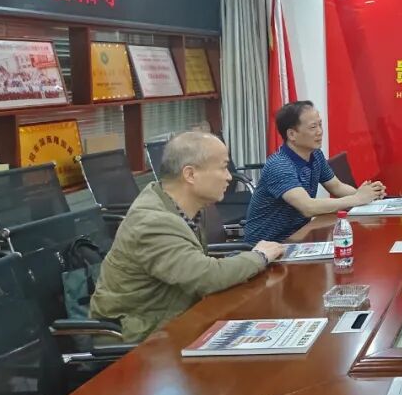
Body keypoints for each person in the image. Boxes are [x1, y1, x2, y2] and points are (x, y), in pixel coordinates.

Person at [90, 132, 286, 342]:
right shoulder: (153, 222)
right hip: (136, 337)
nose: (229, 176)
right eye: (222, 167)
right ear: (190, 174)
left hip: (170, 320)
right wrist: (259, 256)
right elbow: (206, 277)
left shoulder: (180, 206)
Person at [244, 101, 386, 244]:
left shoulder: (315, 155)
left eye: (320, 124)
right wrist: (358, 199)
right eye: (313, 127)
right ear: (292, 134)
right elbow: (308, 207)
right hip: (267, 246)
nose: (320, 131)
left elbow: (337, 187)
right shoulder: (279, 165)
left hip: (299, 237)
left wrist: (368, 195)